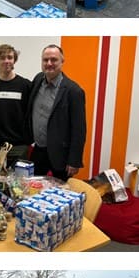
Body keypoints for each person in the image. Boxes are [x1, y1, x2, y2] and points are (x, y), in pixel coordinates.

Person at [27, 44, 86, 181]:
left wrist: (74, 160)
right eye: (45, 60)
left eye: (53, 60)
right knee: (34, 189)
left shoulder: (73, 91)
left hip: (61, 156)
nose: (49, 64)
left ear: (62, 61)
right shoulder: (37, 80)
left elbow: (79, 129)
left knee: (60, 193)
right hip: (38, 150)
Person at [0, 44, 31, 169]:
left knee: (19, 183)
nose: (6, 61)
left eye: (10, 57)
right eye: (2, 58)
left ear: (14, 60)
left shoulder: (25, 85)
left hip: (19, 145)